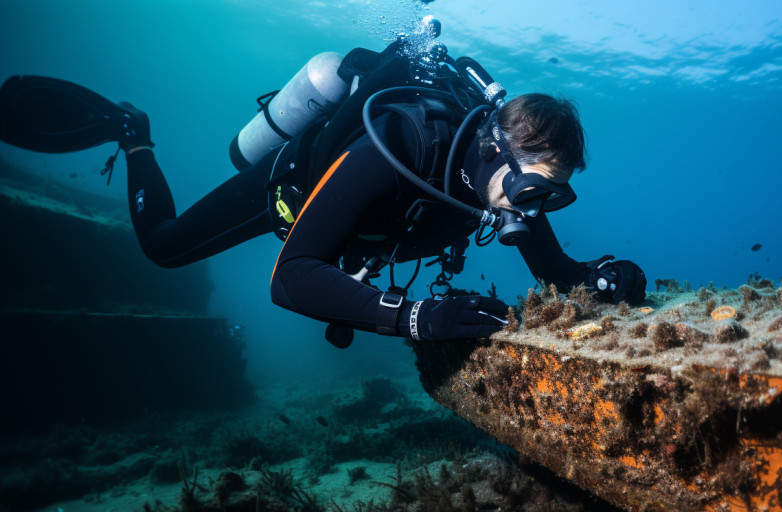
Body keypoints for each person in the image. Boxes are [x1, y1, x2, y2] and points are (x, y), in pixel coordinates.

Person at [0, 32, 646, 348]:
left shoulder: (507, 186)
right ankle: (132, 132)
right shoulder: (400, 140)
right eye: (533, 190)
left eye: (550, 197)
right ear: (493, 147)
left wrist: (606, 273)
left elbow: (559, 268)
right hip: (289, 194)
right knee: (164, 248)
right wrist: (413, 316)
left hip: (366, 235)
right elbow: (291, 277)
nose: (530, 211)